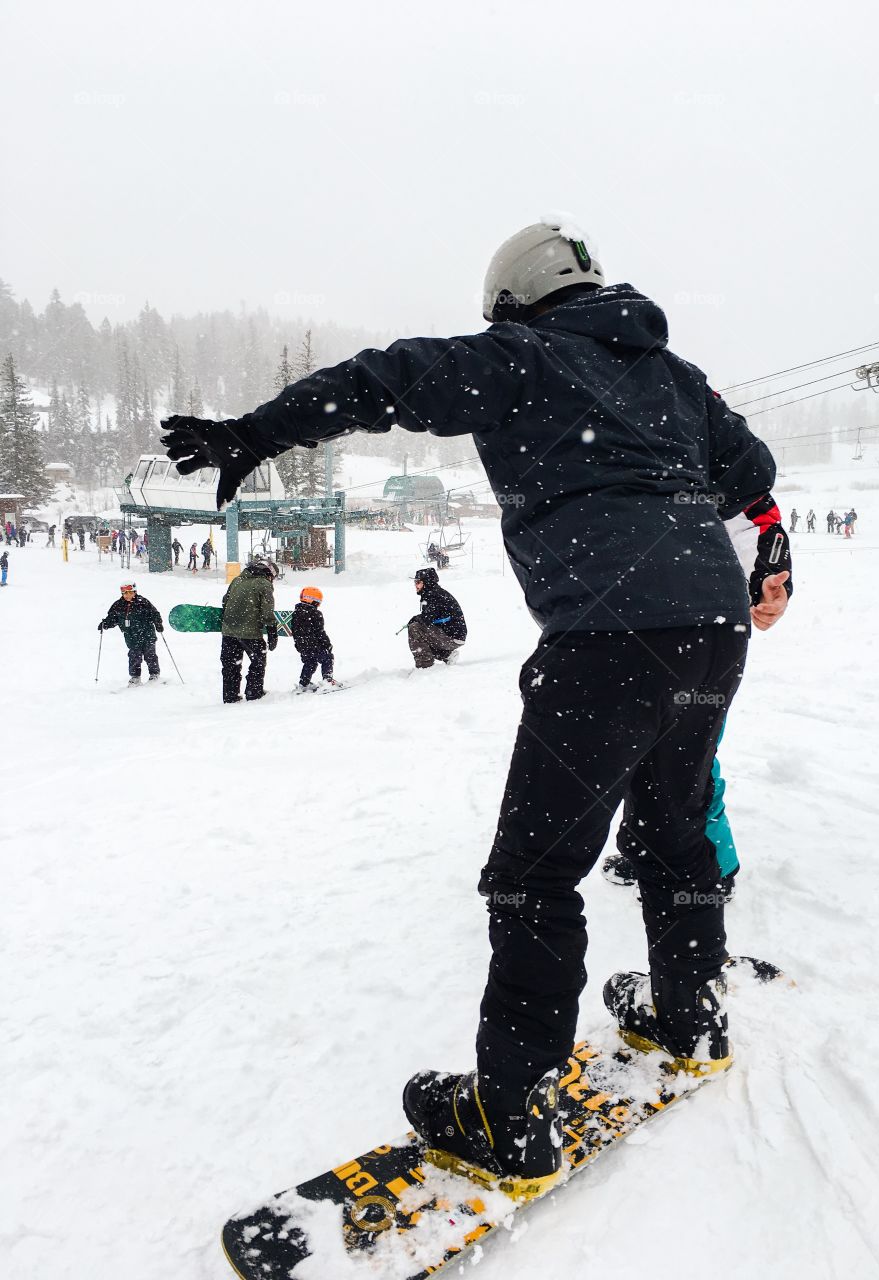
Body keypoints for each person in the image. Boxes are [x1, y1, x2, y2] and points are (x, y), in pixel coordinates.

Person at [160, 218, 780, 1197]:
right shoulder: (676, 376)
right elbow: (754, 474)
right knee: (673, 832)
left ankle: (512, 1110)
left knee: (535, 874)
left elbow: (384, 380)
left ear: (511, 300)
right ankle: (691, 1010)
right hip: (712, 620)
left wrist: (255, 432)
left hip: (607, 636)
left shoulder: (523, 356)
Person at [602, 490, 793, 896]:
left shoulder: (699, 435)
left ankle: (712, 867)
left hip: (700, 625)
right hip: (618, 624)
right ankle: (649, 848)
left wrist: (764, 579)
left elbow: (751, 513)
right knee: (635, 750)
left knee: (689, 757)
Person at [220, 558, 278, 703]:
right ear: (269, 573)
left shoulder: (237, 580)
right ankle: (253, 692)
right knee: (257, 662)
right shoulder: (263, 584)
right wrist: (272, 631)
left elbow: (224, 602)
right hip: (251, 633)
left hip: (229, 632)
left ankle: (230, 695)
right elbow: (267, 611)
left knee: (230, 665)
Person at [99, 581, 164, 684]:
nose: (128, 595)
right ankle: (135, 677)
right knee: (134, 656)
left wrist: (158, 623)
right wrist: (105, 624)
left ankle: (154, 674)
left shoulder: (143, 602)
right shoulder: (118, 605)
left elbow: (155, 614)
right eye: (125, 593)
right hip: (131, 637)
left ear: (135, 592)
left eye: (130, 592)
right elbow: (113, 618)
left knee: (150, 655)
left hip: (147, 634)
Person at [407, 567, 467, 668]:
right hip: (454, 636)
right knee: (420, 630)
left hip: (453, 637)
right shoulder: (432, 593)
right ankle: (447, 655)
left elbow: (426, 619)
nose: (415, 585)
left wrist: (414, 619)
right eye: (415, 582)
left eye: (418, 582)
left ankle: (424, 666)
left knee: (415, 628)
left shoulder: (433, 595)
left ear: (426, 582)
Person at [291, 586, 338, 691]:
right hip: (315, 645)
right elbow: (320, 632)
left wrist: (298, 644)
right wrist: (327, 644)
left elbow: (294, 631)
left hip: (302, 645)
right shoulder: (315, 613)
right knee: (327, 657)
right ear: (314, 600)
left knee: (310, 663)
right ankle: (328, 680)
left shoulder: (296, 613)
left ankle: (304, 684)